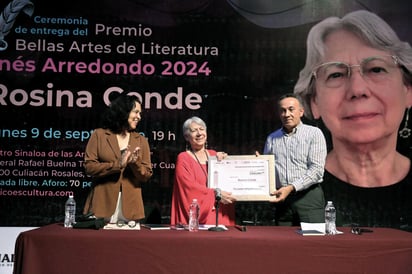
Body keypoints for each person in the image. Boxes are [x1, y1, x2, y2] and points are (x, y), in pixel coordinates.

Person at [294, 10, 412, 231]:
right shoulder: (300, 191)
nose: (357, 90)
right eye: (336, 74)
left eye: (376, 69)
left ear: (408, 91)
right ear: (314, 102)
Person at [83, 94, 153, 225]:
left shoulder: (141, 140)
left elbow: (146, 175)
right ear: (123, 111)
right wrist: (118, 164)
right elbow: (89, 167)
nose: (139, 117)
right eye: (136, 112)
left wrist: (134, 163)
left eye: (140, 113)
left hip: (130, 208)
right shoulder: (99, 135)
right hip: (102, 204)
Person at [263, 94, 327, 226]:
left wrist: (291, 187)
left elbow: (317, 170)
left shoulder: (314, 134)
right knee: (283, 244)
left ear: (301, 112)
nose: (287, 114)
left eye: (291, 109)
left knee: (313, 243)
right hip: (282, 200)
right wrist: (258, 164)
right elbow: (266, 169)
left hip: (308, 197)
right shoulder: (272, 138)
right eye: (283, 110)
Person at [171, 116, 236, 226]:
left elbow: (231, 180)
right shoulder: (183, 158)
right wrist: (215, 194)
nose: (199, 133)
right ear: (187, 136)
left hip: (218, 215)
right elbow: (188, 188)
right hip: (196, 218)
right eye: (194, 130)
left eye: (201, 129)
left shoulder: (215, 155)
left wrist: (254, 162)